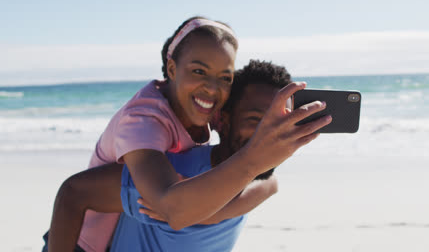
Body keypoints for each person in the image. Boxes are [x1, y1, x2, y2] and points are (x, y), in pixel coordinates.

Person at [46, 15, 332, 252]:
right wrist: (248, 165)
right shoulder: (143, 121)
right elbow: (173, 208)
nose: (211, 87)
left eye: (225, 78)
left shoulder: (204, 113)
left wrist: (213, 209)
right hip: (78, 242)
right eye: (198, 71)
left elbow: (267, 180)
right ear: (172, 68)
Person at [110, 60, 294, 251]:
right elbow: (79, 190)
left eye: (279, 121)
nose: (269, 132)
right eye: (255, 120)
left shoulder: (258, 176)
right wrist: (176, 207)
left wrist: (203, 212)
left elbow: (269, 183)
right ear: (225, 120)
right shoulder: (168, 174)